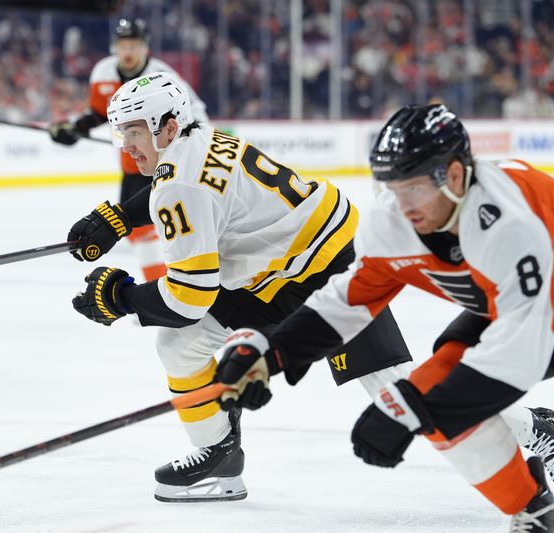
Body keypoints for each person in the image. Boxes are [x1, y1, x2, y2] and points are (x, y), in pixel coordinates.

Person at [69, 71, 415, 502]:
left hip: (326, 270)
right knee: (179, 346)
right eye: (122, 132)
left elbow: (188, 299)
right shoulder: (198, 138)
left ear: (169, 127)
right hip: (281, 268)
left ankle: (527, 426)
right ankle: (219, 456)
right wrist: (119, 218)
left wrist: (118, 297)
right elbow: (177, 188)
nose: (125, 145)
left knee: (399, 395)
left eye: (134, 132)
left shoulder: (179, 183)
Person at [213, 104, 554, 530]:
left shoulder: (507, 224)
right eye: (391, 187)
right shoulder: (394, 221)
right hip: (522, 307)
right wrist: (275, 351)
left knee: (430, 397)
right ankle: (534, 510)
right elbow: (349, 301)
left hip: (539, 313)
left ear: (452, 176)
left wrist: (413, 407)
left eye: (412, 189)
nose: (400, 205)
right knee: (433, 391)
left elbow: (524, 349)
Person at [49, 18, 208, 283]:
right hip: (134, 165)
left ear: (145, 48)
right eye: (123, 45)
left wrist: (186, 146)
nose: (128, 51)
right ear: (115, 47)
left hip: (166, 163)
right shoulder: (102, 74)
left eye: (134, 45)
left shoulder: (163, 77)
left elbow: (196, 112)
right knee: (137, 231)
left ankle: (185, 286)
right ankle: (160, 287)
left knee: (176, 226)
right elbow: (100, 112)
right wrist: (76, 128)